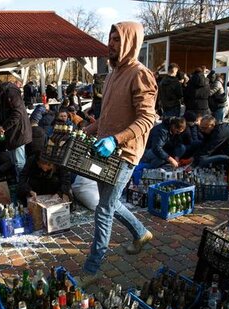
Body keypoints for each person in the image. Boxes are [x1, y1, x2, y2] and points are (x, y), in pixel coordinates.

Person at [79, 22, 157, 285]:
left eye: (116, 39)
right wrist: (89, 128)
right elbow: (108, 116)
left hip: (124, 154)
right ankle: (141, 233)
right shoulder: (113, 74)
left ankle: (92, 269)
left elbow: (147, 119)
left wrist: (116, 140)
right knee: (109, 203)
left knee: (103, 209)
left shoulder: (140, 74)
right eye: (109, 39)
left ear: (130, 41)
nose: (110, 44)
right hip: (106, 151)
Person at [0, 76, 32, 181]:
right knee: (15, 161)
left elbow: (17, 113)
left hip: (18, 132)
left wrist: (4, 127)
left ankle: (23, 185)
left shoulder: (10, 92)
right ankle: (19, 182)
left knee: (19, 162)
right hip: (13, 132)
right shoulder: (3, 94)